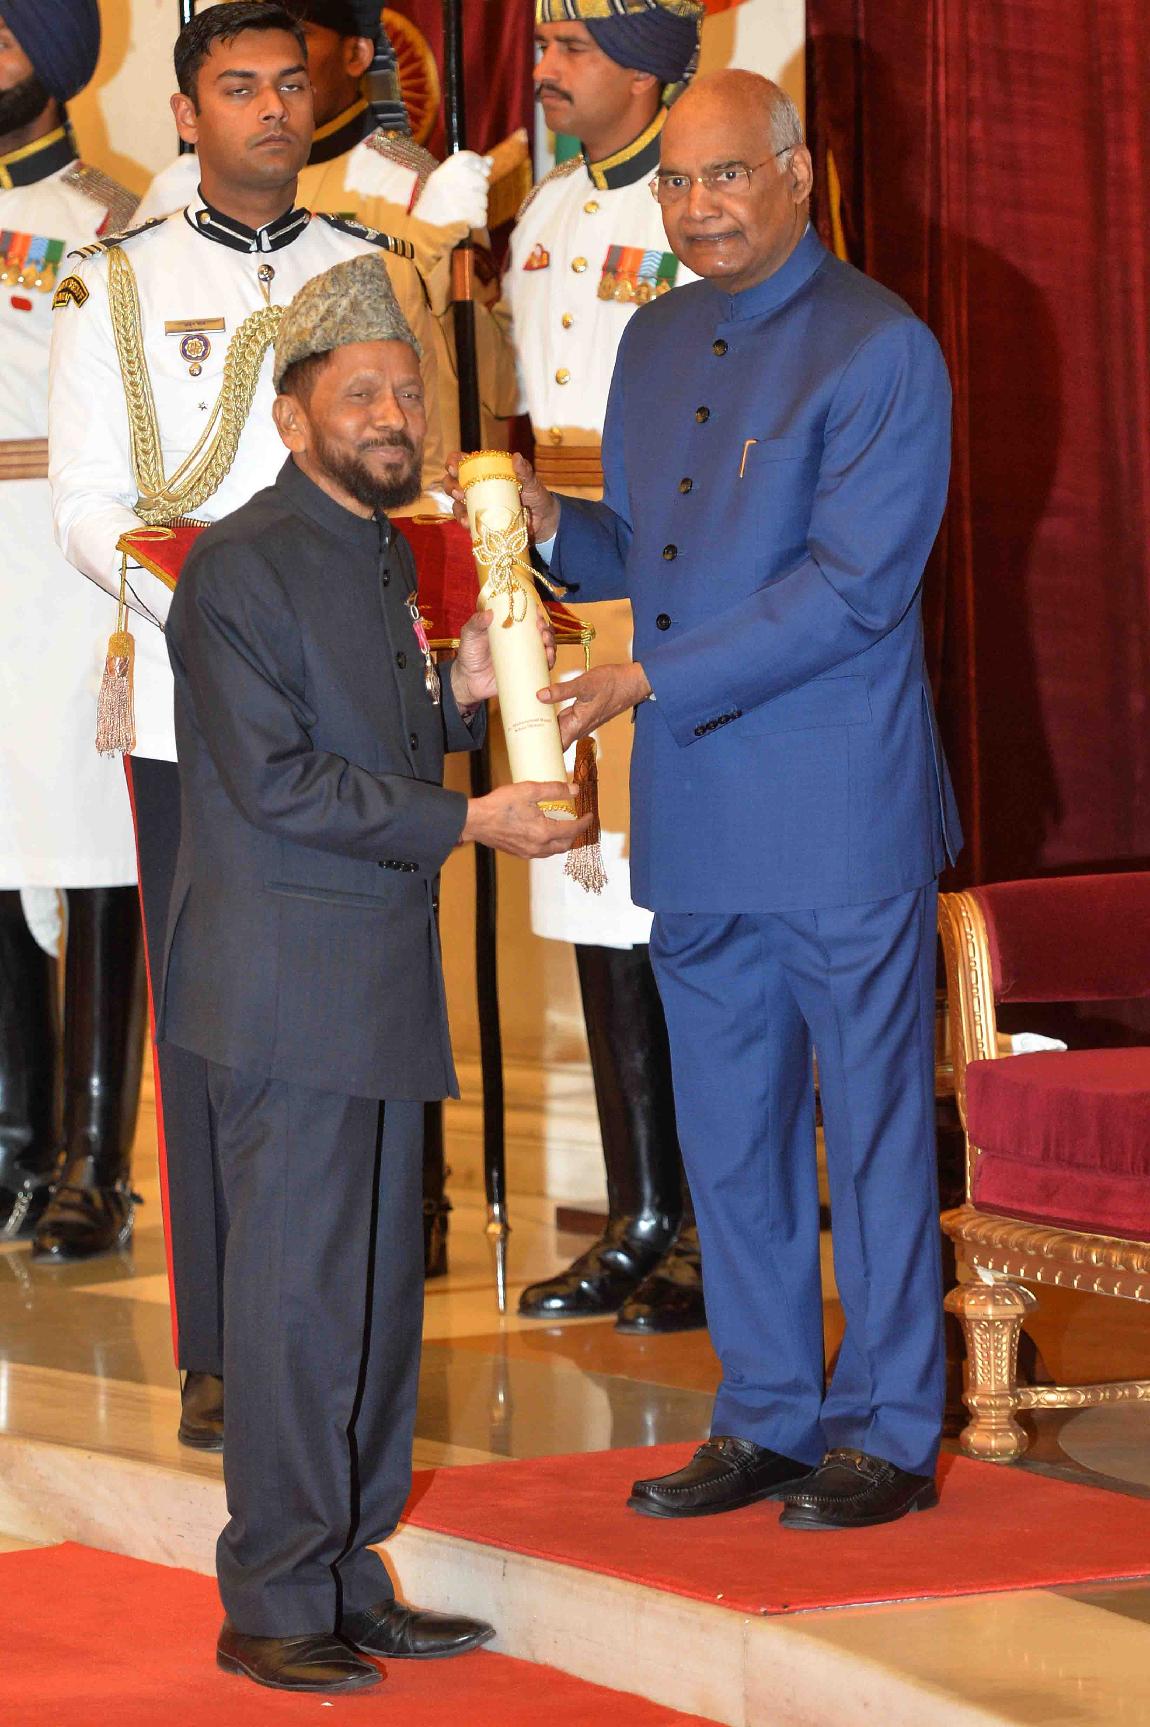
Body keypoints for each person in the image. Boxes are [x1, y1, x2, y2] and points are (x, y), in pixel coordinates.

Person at [492, 70, 963, 1530]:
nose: (696, 208)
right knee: (731, 1135)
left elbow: (852, 588)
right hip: (697, 810)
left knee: (869, 1131)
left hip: (836, 810)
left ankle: (888, 1425)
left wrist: (645, 678)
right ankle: (764, 1410)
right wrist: (540, 522)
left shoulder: (880, 347)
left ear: (797, 173)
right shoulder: (652, 336)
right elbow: (649, 547)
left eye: (725, 176)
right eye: (676, 184)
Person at [163, 251, 584, 1694]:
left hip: (373, 976)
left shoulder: (387, 553)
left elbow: (379, 736)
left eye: (406, 391)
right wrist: (472, 819)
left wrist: (459, 694)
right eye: (360, 394)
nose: (393, 414)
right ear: (293, 419)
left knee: (371, 1301)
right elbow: (279, 781)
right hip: (285, 987)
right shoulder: (238, 565)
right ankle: (273, 1597)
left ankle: (346, 1570)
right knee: (295, 1303)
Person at [47, 1, 447, 1449]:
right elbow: (88, 504)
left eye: (290, 83)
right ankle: (223, 1341)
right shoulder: (115, 281)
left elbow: (416, 476)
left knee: (364, 999)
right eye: (238, 87)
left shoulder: (373, 269)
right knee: (216, 1025)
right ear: (188, 114)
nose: (272, 107)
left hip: (363, 703)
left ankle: (356, 1313)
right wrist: (225, 635)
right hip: (194, 704)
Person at [500, 0, 708, 1335]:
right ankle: (639, 1211)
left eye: (575, 46)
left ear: (645, 69)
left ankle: (699, 1220)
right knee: (584, 898)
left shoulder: (693, 211)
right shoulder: (543, 214)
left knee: (666, 904)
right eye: (545, 43)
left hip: (671, 575)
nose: (548, 67)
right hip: (558, 575)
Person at [0, 0, 146, 1256]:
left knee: (98, 857)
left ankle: (96, 1163)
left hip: (66, 562)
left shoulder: (113, 216)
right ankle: (12, 1143)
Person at [136, 0, 514, 460]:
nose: (271, 102)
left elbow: (494, 388)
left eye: (299, 38)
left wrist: (431, 261)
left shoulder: (416, 188)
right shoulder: (183, 190)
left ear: (355, 54)